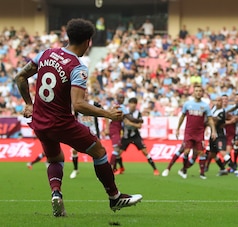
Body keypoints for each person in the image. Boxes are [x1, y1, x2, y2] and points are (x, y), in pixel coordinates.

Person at [15, 18, 142, 217]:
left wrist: (29, 104)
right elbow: (79, 105)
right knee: (99, 151)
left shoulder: (46, 54)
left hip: (40, 122)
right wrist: (108, 114)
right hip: (62, 123)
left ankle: (56, 193)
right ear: (88, 41)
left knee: (55, 157)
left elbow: (20, 77)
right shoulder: (77, 67)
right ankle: (115, 197)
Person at [176, 84, 217, 179]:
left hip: (199, 133)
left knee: (201, 153)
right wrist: (178, 128)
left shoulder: (205, 106)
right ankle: (184, 170)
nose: (198, 93)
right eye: (196, 91)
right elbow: (182, 117)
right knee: (186, 151)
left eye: (200, 91)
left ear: (202, 93)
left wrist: (213, 130)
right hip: (189, 132)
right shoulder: (187, 104)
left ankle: (202, 173)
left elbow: (210, 119)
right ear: (194, 92)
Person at [111, 97, 160, 175]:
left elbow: (139, 126)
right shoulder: (124, 111)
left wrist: (131, 124)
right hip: (126, 136)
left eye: (134, 104)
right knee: (118, 153)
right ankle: (120, 168)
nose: (132, 105)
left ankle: (155, 169)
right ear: (129, 104)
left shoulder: (138, 113)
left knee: (145, 152)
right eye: (131, 103)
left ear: (136, 105)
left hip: (135, 136)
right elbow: (124, 122)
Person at [106, 93, 143, 174]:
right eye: (120, 97)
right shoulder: (121, 107)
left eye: (123, 98)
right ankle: (108, 170)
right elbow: (130, 118)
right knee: (116, 150)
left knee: (118, 150)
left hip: (117, 129)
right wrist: (140, 120)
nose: (122, 99)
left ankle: (120, 168)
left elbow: (107, 116)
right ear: (117, 98)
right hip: (115, 129)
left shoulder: (114, 106)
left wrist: (107, 129)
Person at [70, 91, 102, 179]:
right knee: (74, 151)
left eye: (87, 93)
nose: (85, 94)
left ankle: (99, 173)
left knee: (97, 153)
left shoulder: (94, 104)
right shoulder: (77, 105)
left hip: (94, 132)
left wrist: (106, 128)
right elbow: (75, 119)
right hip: (81, 132)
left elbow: (104, 113)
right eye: (84, 92)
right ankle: (75, 169)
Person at [205, 96, 237, 176]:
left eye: (220, 101)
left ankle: (235, 169)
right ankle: (223, 169)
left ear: (222, 102)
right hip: (213, 134)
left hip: (220, 135)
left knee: (222, 151)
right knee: (212, 154)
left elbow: (214, 123)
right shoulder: (213, 109)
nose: (218, 102)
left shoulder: (222, 112)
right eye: (217, 100)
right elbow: (209, 120)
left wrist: (209, 120)